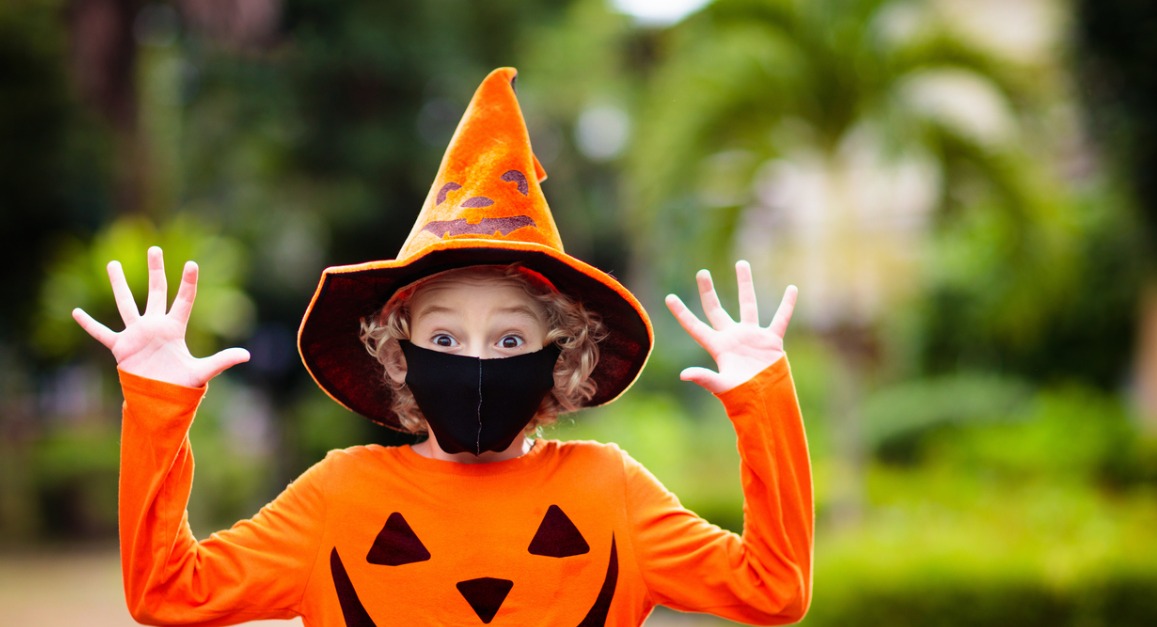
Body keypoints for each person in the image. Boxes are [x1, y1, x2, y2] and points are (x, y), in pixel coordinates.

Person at [73, 68, 813, 626]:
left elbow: (773, 588)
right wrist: (158, 407)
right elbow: (167, 590)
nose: (479, 360)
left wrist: (763, 400)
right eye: (446, 336)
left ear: (561, 356)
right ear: (399, 354)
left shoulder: (610, 491)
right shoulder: (340, 496)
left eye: (512, 337)